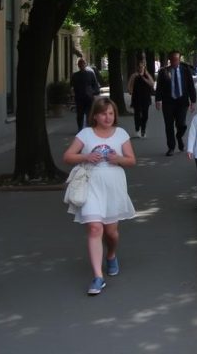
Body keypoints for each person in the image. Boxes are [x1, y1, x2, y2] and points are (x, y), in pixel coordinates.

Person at [62, 97, 136, 295]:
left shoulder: (120, 134)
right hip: (91, 185)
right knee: (95, 228)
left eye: (111, 113)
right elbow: (68, 156)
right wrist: (86, 156)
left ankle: (111, 254)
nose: (108, 117)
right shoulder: (85, 134)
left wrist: (117, 158)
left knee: (111, 232)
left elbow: (131, 160)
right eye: (103, 113)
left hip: (113, 186)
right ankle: (98, 277)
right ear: (95, 115)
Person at [155, 51, 197, 156]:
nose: (175, 62)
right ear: (170, 60)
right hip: (168, 102)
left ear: (179, 59)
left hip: (182, 102)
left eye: (177, 59)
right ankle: (171, 147)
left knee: (181, 124)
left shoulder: (185, 71)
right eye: (173, 60)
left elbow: (191, 86)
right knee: (169, 125)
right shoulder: (163, 72)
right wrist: (158, 100)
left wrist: (193, 101)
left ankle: (179, 136)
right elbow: (159, 87)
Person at [71, 58, 101, 132]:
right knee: (80, 114)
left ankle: (87, 127)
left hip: (88, 97)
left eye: (82, 64)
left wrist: (93, 92)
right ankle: (81, 128)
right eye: (80, 64)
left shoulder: (90, 74)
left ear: (85, 65)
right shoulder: (75, 75)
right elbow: (72, 86)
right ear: (78, 65)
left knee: (88, 113)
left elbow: (95, 85)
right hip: (80, 97)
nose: (81, 65)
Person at [127, 59, 155, 137]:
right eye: (139, 66)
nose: (141, 68)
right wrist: (130, 90)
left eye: (142, 66)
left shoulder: (147, 75)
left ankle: (143, 129)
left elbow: (152, 83)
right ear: (138, 67)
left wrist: (144, 77)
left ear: (144, 67)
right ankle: (137, 128)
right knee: (137, 114)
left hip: (146, 97)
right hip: (137, 97)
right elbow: (129, 85)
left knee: (145, 115)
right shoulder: (134, 75)